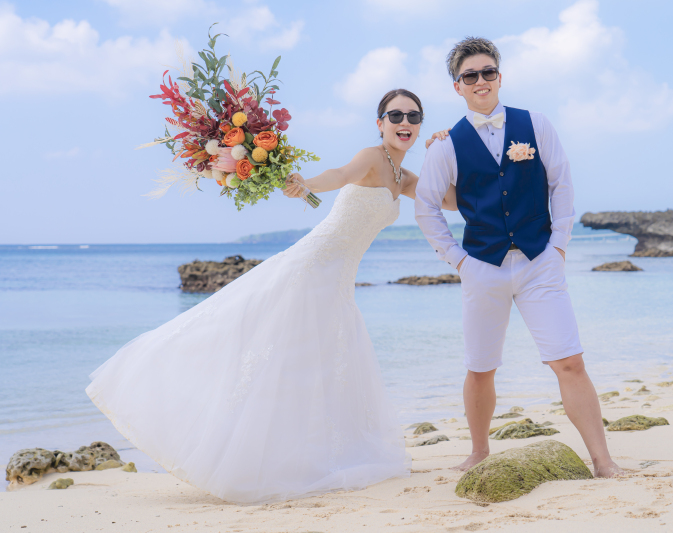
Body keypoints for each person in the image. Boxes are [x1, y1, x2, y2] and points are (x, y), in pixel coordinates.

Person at [87, 88, 456, 504]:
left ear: (420, 124)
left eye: (413, 117)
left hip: (338, 281)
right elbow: (338, 175)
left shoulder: (404, 177)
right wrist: (305, 183)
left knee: (311, 366)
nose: (404, 123)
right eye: (395, 116)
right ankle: (241, 453)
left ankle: (299, 454)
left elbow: (451, 200)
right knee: (269, 354)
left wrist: (448, 149)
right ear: (380, 123)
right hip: (313, 268)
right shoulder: (372, 158)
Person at [415, 37, 622, 477]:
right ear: (458, 87)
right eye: (470, 75)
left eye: (488, 71)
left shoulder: (537, 124)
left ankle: (603, 461)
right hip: (482, 267)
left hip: (538, 260)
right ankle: (479, 451)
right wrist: (458, 260)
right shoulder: (445, 145)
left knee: (569, 360)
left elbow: (561, 184)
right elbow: (425, 206)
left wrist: (559, 245)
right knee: (481, 366)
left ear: (499, 76)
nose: (481, 80)